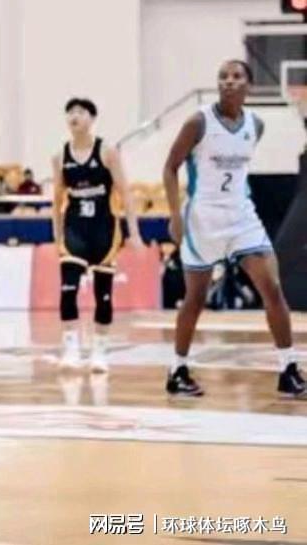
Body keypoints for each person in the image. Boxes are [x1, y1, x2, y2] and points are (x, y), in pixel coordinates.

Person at [163, 60, 305, 399]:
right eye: (223, 76)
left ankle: (288, 369)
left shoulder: (256, 125)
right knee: (195, 298)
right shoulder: (198, 122)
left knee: (272, 288)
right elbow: (170, 167)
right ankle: (177, 370)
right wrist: (175, 216)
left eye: (236, 76)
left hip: (242, 217)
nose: (228, 81)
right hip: (204, 218)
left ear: (248, 86)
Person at [51, 98, 144, 373]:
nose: (74, 116)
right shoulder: (60, 156)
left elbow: (126, 193)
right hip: (74, 229)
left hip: (104, 229)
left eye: (80, 112)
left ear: (91, 119)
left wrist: (134, 233)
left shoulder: (107, 151)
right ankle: (71, 349)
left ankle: (100, 351)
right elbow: (56, 201)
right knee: (68, 291)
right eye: (70, 112)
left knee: (103, 295)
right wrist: (57, 235)